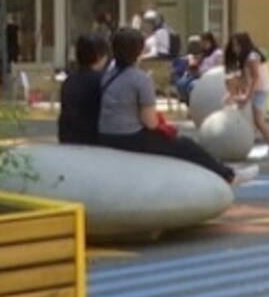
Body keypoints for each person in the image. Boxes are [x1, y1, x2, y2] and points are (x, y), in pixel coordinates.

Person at [98, 28, 256, 186]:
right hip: (128, 137)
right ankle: (228, 175)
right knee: (185, 144)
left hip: (106, 133)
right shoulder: (140, 79)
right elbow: (150, 122)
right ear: (138, 51)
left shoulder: (107, 75)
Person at [224, 32, 269, 151]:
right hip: (257, 87)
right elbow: (246, 77)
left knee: (258, 119)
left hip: (261, 89)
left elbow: (256, 78)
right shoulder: (246, 57)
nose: (235, 49)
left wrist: (248, 96)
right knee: (230, 79)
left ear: (244, 44)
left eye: (237, 45)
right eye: (233, 46)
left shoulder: (252, 57)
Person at [58, 34, 110, 145]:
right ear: (100, 56)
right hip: (93, 139)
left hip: (67, 137)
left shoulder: (69, 80)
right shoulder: (103, 81)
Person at [174, 31, 223, 103]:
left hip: (209, 79)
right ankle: (187, 103)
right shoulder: (203, 54)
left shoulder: (217, 53)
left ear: (211, 42)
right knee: (181, 83)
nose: (203, 44)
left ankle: (195, 104)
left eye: (205, 42)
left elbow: (219, 69)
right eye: (202, 42)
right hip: (197, 75)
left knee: (192, 86)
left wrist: (203, 72)